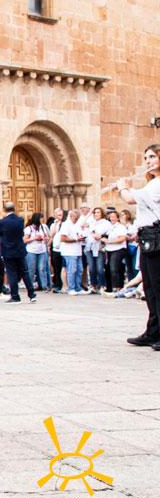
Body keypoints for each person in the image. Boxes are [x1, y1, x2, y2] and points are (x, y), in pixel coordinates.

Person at [114, 144, 160, 348]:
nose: (148, 161)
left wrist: (122, 186)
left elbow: (130, 198)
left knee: (157, 287)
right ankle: (153, 331)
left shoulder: (157, 184)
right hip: (147, 237)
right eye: (146, 158)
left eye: (152, 157)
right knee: (149, 287)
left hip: (155, 238)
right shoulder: (151, 184)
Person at [0, 202, 37, 304]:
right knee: (25, 272)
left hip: (8, 251)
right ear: (14, 209)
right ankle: (31, 294)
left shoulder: (2, 222)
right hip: (19, 250)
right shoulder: (20, 220)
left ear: (4, 210)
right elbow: (21, 233)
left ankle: (15, 296)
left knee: (12, 273)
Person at [24, 212, 50, 291]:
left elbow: (48, 237)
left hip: (42, 250)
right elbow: (25, 240)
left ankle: (44, 286)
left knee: (42, 268)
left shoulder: (43, 227)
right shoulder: (29, 228)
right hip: (31, 251)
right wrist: (34, 238)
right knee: (31, 269)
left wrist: (45, 239)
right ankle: (30, 286)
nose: (42, 219)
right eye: (41, 218)